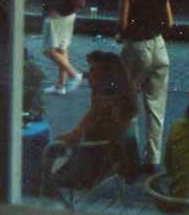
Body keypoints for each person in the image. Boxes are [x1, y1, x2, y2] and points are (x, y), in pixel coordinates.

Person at [46, 51, 139, 190]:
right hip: (113, 161)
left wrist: (58, 140)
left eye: (91, 70)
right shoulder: (122, 99)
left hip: (90, 168)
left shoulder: (103, 104)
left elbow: (74, 136)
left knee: (50, 150)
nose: (85, 75)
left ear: (105, 76)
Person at [116, 0, 173, 174]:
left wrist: (122, 33)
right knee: (156, 106)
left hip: (137, 47)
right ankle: (153, 159)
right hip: (159, 47)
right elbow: (170, 22)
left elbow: (122, 24)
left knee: (129, 103)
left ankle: (130, 159)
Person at [41, 0, 85, 95]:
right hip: (69, 12)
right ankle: (61, 85)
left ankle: (74, 74)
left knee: (48, 50)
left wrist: (52, 7)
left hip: (57, 13)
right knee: (62, 47)